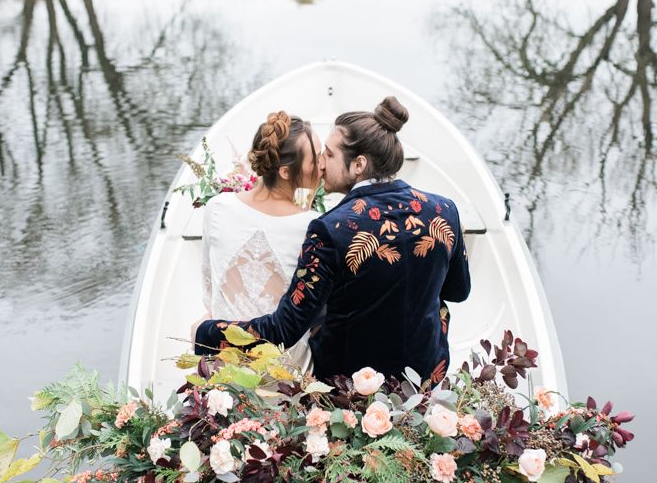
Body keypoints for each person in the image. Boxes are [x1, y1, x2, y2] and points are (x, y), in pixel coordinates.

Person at [194, 96, 471, 384]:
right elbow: (459, 291)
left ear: (358, 164)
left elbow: (286, 328)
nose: (321, 164)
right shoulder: (445, 210)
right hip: (425, 372)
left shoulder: (330, 228)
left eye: (328, 154)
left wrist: (205, 333)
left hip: (352, 385)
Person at [197, 110, 320, 368]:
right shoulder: (313, 225)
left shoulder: (217, 207)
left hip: (224, 366)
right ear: (286, 172)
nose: (322, 167)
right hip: (287, 377)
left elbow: (210, 293)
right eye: (316, 159)